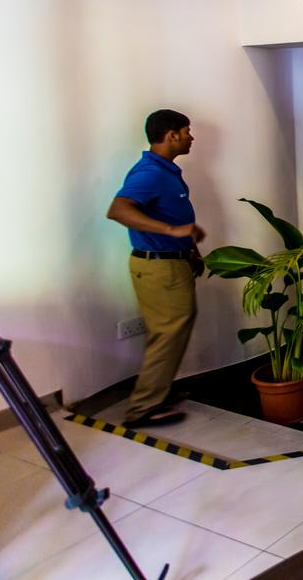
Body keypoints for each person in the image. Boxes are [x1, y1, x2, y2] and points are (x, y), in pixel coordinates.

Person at [106, 109, 206, 428]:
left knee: (170, 332)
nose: (191, 137)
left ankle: (157, 393)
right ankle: (143, 407)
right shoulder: (150, 172)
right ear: (172, 135)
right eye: (187, 131)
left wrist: (191, 250)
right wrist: (172, 231)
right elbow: (118, 209)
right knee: (167, 334)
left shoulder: (165, 171)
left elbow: (174, 213)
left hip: (171, 263)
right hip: (160, 267)